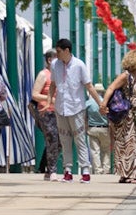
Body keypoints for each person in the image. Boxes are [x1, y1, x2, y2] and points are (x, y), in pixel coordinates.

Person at [47, 38, 106, 183]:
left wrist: (100, 103)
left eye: (59, 51)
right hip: (61, 107)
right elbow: (53, 85)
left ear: (67, 50)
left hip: (77, 107)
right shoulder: (55, 65)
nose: (57, 54)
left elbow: (89, 86)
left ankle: (85, 170)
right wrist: (48, 103)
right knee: (65, 140)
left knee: (80, 139)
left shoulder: (79, 65)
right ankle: (68, 170)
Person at [103, 49, 136, 183]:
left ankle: (127, 173)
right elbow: (111, 88)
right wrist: (103, 104)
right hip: (127, 114)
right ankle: (130, 174)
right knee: (128, 143)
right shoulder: (126, 76)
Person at [32, 48, 61, 180]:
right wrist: (50, 99)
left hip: (59, 111)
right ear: (50, 60)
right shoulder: (44, 74)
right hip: (46, 111)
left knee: (59, 141)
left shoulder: (60, 74)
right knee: (52, 139)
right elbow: (35, 94)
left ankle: (49, 170)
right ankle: (52, 170)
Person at [86, 84, 112, 175]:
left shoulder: (88, 103)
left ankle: (98, 170)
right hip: (105, 129)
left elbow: (85, 117)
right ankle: (106, 169)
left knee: (95, 151)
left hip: (92, 128)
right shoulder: (106, 103)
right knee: (106, 150)